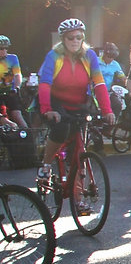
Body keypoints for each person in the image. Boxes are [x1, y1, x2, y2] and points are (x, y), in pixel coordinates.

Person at [37, 18, 115, 198]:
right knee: (61, 129)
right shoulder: (54, 56)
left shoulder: (90, 56)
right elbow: (45, 84)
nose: (75, 41)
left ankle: (77, 196)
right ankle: (46, 165)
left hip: (80, 103)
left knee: (80, 149)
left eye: (78, 37)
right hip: (56, 102)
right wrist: (47, 109)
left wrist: (107, 110)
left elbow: (99, 84)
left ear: (83, 38)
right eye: (70, 37)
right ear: (63, 39)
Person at [0, 35, 28, 128]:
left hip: (10, 92)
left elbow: (17, 75)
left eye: (6, 48)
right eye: (1, 48)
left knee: (17, 115)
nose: (4, 51)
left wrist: (16, 87)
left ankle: (29, 138)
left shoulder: (12, 58)